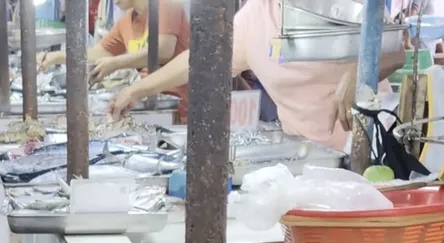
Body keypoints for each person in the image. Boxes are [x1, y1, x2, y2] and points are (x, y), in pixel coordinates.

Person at [108, 0, 403, 147]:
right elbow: (201, 59)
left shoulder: (340, 4)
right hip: (306, 152)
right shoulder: (256, 15)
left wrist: (358, 73)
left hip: (370, 146)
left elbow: (395, 48)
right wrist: (137, 90)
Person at [41, 0, 190, 117]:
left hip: (177, 107)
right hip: (145, 101)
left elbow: (163, 50)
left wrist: (116, 64)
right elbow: (98, 53)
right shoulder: (126, 21)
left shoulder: (167, 5)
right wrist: (55, 57)